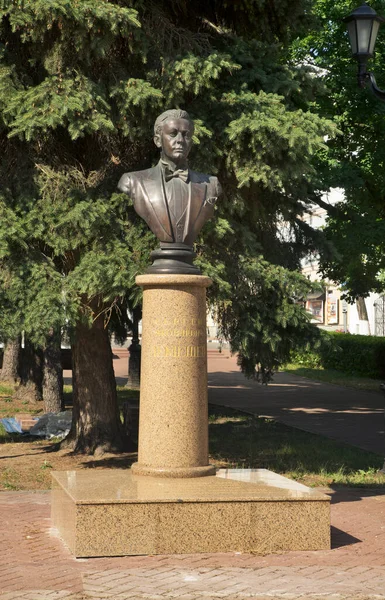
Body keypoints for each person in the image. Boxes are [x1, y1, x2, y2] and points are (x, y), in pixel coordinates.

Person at [118, 109, 221, 246]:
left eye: (186, 135)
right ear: (158, 141)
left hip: (186, 261)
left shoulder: (211, 184)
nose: (180, 140)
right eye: (173, 134)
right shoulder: (133, 181)